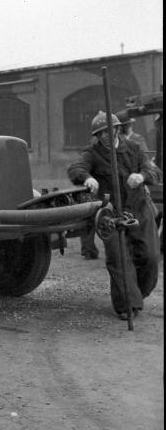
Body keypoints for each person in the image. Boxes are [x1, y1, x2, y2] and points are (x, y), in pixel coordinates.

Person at [67, 111, 160, 320]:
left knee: (150, 257)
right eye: (100, 134)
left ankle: (137, 293)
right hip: (112, 214)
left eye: (109, 131)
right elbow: (76, 168)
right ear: (97, 136)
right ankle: (127, 306)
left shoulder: (135, 148)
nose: (105, 136)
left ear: (118, 129)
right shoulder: (92, 153)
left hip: (139, 209)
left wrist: (142, 175)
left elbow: (154, 172)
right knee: (119, 260)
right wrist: (87, 178)